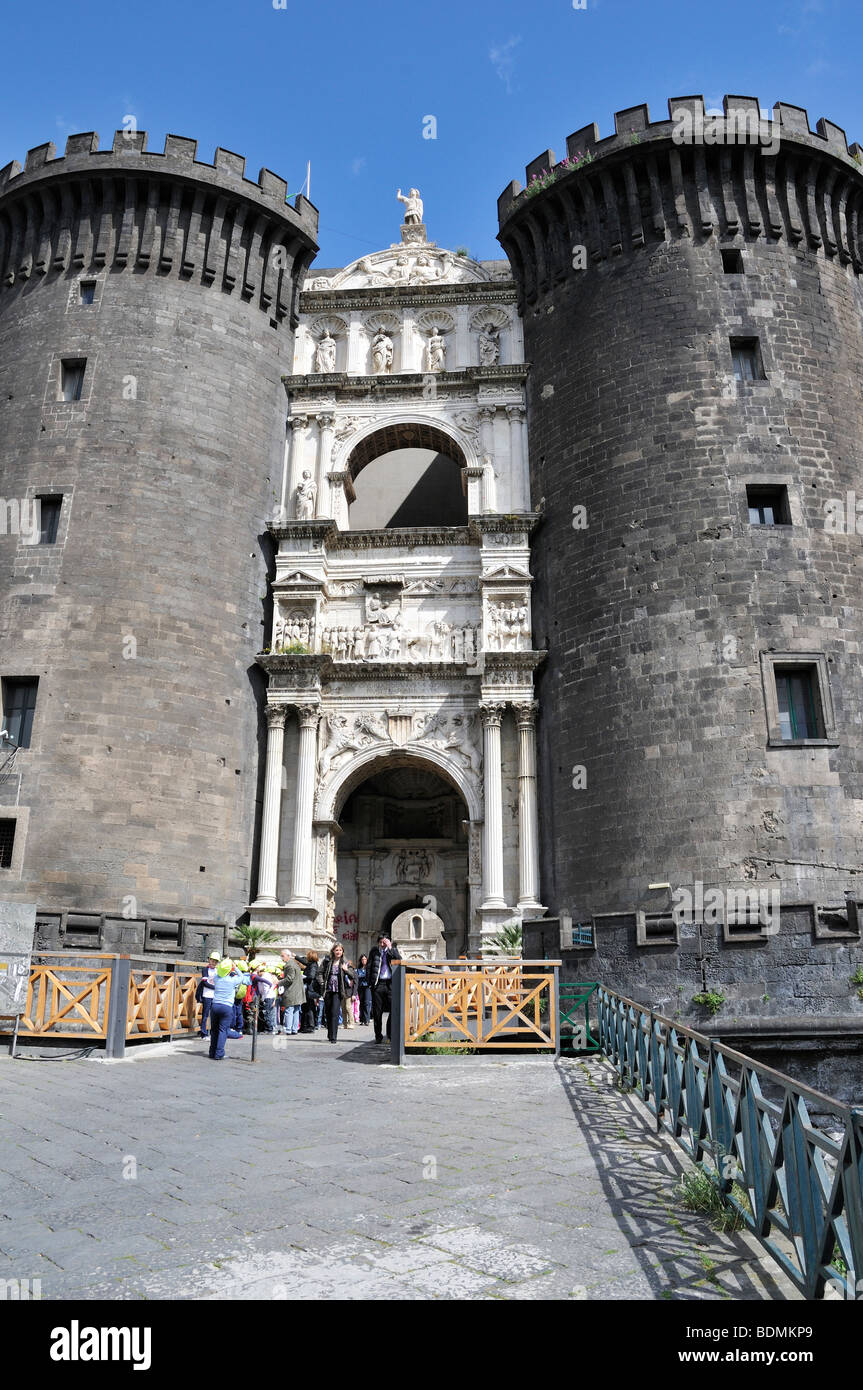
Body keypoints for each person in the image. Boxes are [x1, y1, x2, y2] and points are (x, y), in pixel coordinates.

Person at [368, 934, 402, 1044]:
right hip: (378, 984)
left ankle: (390, 1034)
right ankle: (378, 1035)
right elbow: (369, 967)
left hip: (390, 984)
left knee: (393, 1009)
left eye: (384, 942)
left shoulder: (392, 951)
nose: (382, 945)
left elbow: (399, 960)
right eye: (380, 942)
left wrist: (390, 948)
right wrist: (370, 983)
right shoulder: (374, 952)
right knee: (377, 1012)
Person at [319, 944, 355, 1044]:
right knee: (328, 1013)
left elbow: (353, 975)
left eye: (340, 950)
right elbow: (319, 973)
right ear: (333, 951)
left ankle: (334, 1036)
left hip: (338, 991)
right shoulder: (327, 961)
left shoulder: (345, 962)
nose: (338, 952)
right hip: (328, 990)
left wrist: (346, 970)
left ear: (343, 951)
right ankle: (330, 1034)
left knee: (335, 1013)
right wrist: (322, 983)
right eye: (336, 950)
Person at [209, 958, 241, 1060]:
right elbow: (242, 977)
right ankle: (219, 1054)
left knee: (214, 1030)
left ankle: (212, 1052)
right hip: (226, 1007)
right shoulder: (232, 980)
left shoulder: (216, 978)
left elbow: (219, 974)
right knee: (223, 1030)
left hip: (215, 1006)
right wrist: (235, 968)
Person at [278, 949, 305, 1035]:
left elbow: (289, 979)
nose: (281, 958)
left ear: (288, 956)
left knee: (289, 1010)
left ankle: (288, 1029)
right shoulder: (295, 964)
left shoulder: (289, 965)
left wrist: (279, 982)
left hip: (291, 990)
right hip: (298, 990)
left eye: (283, 956)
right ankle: (294, 1029)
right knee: (296, 1010)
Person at [196, 950, 220, 1038]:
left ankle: (213, 1033)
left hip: (215, 996)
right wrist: (215, 987)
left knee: (214, 1015)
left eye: (215, 961)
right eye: (212, 960)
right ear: (209, 960)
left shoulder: (218, 970)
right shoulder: (205, 969)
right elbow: (205, 983)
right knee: (205, 1014)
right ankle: (203, 1033)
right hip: (207, 995)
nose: (213, 963)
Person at [302, 951, 322, 1032]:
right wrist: (296, 956)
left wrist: (303, 977)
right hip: (310, 989)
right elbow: (304, 961)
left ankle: (310, 1026)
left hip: (310, 989)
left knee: (309, 1007)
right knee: (309, 1007)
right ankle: (307, 1025)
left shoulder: (313, 965)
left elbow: (311, 976)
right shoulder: (312, 964)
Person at [356, 955, 372, 1025]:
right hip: (360, 986)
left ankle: (367, 1019)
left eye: (365, 959)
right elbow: (357, 976)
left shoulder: (368, 968)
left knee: (367, 1003)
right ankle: (362, 1020)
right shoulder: (359, 969)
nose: (364, 961)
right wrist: (363, 976)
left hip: (367, 986)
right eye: (362, 959)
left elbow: (367, 976)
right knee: (361, 1003)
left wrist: (362, 976)